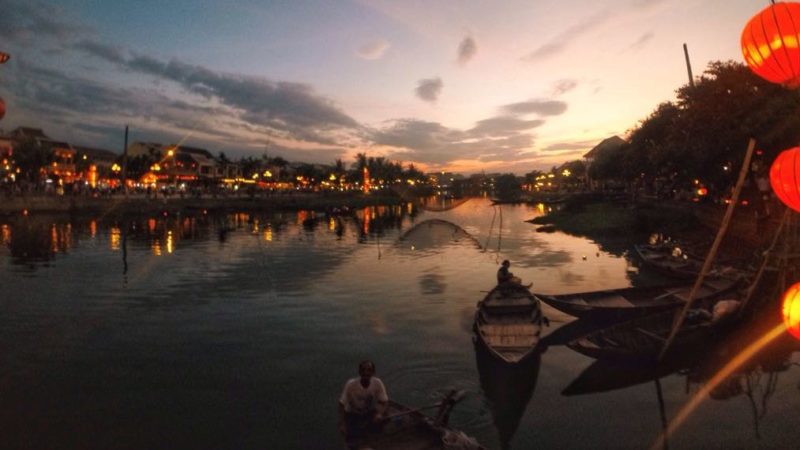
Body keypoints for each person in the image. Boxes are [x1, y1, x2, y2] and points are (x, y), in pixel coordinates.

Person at [338, 360, 389, 440]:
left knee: (385, 419)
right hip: (353, 413)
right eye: (363, 370)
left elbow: (385, 401)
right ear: (359, 372)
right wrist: (342, 424)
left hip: (369, 412)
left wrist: (379, 413)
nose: (366, 373)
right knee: (353, 436)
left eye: (369, 370)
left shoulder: (377, 382)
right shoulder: (351, 384)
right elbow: (341, 404)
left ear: (373, 372)